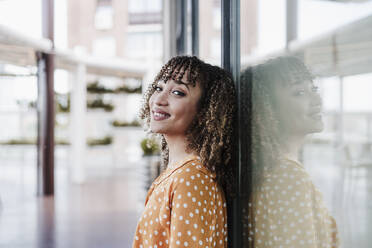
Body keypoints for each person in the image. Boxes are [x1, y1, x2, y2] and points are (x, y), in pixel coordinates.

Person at [132, 56, 236, 248]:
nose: (159, 100)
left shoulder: (192, 179)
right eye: (158, 88)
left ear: (205, 112)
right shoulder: (182, 173)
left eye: (178, 92)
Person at [241, 56, 339, 247]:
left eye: (314, 89)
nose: (317, 100)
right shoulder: (287, 176)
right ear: (267, 107)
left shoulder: (270, 169)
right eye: (300, 92)